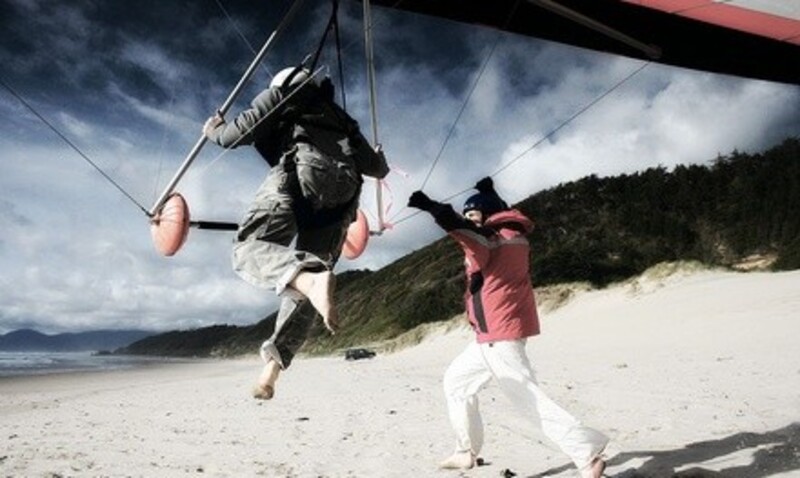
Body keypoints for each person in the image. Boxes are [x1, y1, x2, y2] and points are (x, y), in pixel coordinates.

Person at [203, 65, 389, 400]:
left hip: (302, 173)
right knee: (310, 277)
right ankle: (270, 371)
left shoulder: (281, 94)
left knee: (248, 249)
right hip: (344, 196)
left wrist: (214, 129)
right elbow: (378, 169)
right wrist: (378, 157)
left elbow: (235, 136)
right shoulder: (343, 120)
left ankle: (309, 277)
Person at [407, 177, 609, 478]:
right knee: (457, 382)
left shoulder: (489, 239)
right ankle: (466, 451)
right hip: (491, 334)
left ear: (487, 216)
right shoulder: (510, 233)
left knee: (526, 398)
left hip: (498, 334)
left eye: (474, 214)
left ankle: (587, 455)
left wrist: (431, 207)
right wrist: (488, 193)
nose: (469, 219)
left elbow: (459, 229)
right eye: (469, 215)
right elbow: (491, 218)